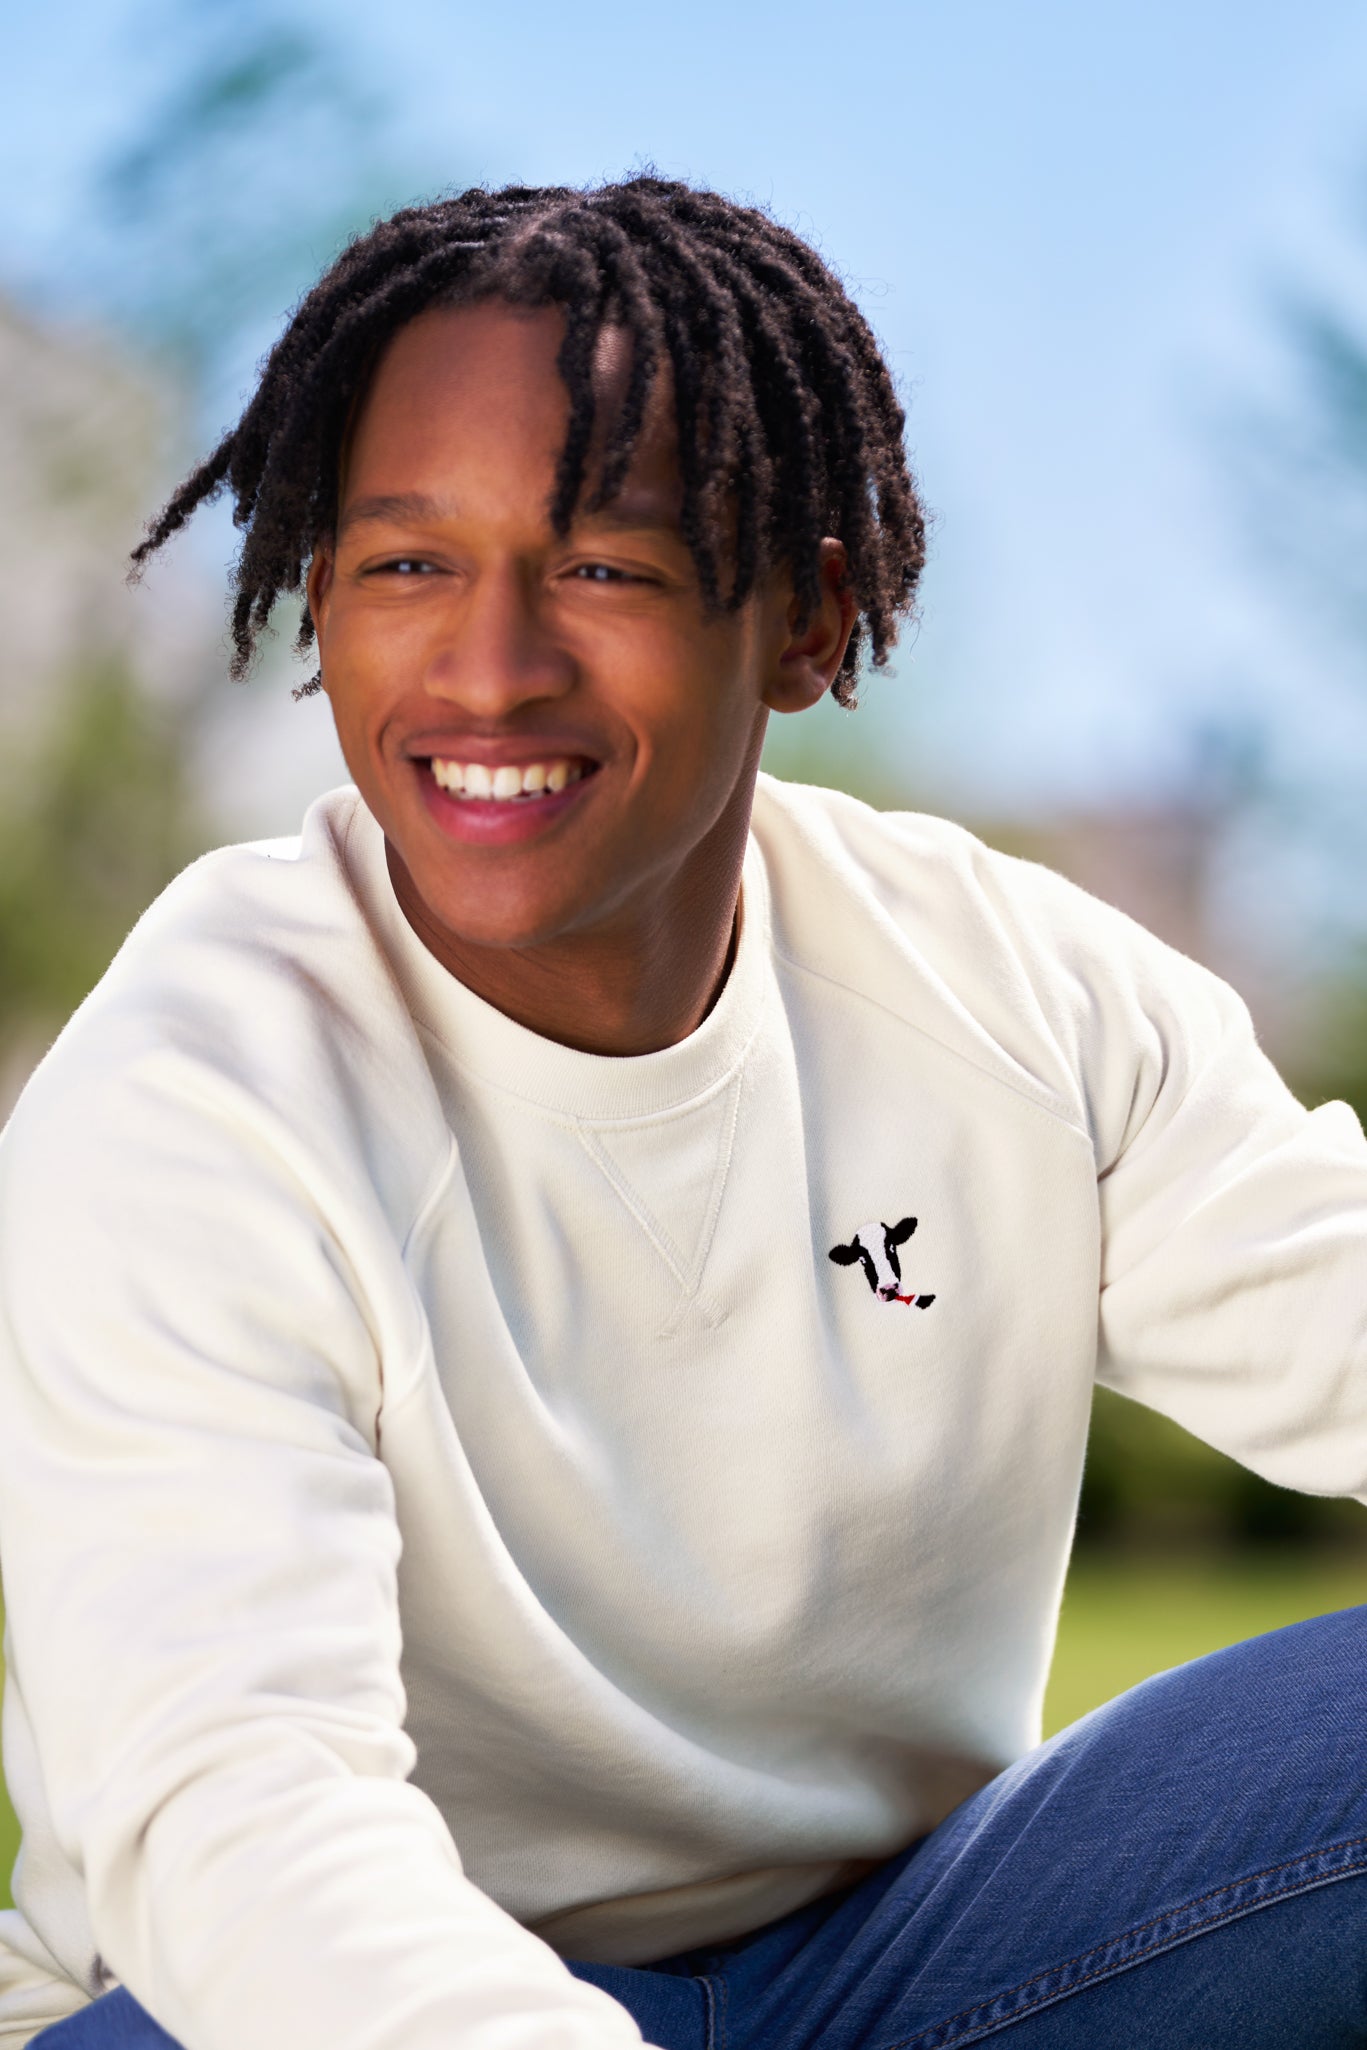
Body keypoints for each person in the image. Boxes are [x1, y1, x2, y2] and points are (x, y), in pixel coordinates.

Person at [0, 176, 1364, 2050]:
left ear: (804, 620)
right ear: (318, 590)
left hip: (922, 1964)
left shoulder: (1002, 984)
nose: (490, 667)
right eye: (406, 564)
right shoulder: (192, 1094)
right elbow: (243, 1824)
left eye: (604, 568)